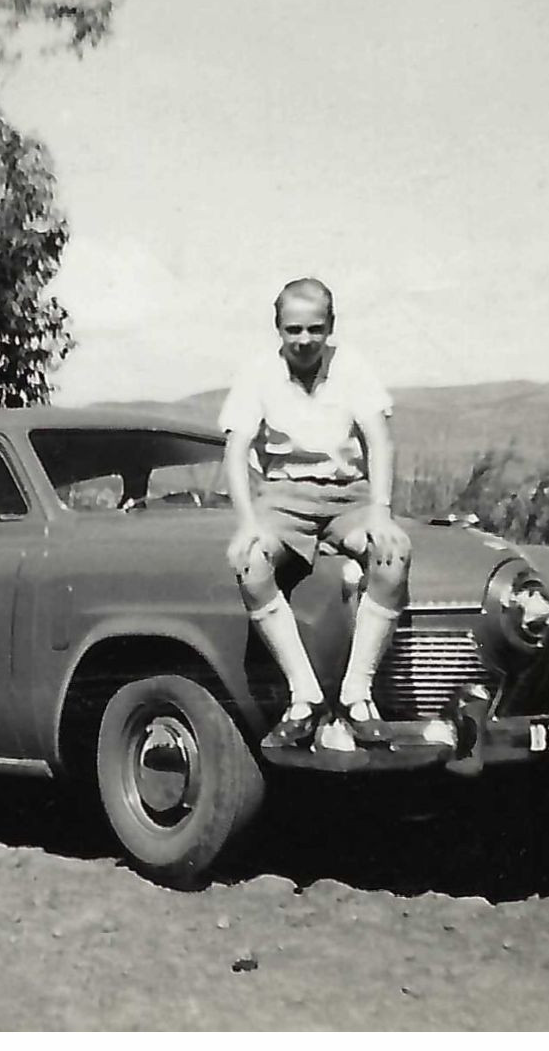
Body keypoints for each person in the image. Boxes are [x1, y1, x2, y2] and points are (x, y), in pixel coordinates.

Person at [219, 277, 411, 751]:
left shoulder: (353, 367)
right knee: (249, 562)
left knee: (394, 553)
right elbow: (236, 449)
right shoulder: (258, 372)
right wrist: (247, 522)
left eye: (314, 329)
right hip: (284, 498)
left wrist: (381, 512)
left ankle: (356, 695)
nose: (304, 340)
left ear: (331, 327)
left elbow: (378, 440)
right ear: (278, 328)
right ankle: (303, 696)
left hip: (349, 495)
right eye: (293, 329)